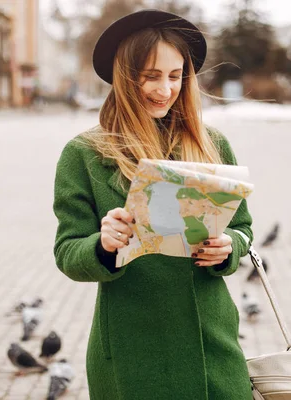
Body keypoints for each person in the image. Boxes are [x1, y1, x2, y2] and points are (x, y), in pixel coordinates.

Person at [53, 9, 254, 399]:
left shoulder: (211, 144)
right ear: (125, 78)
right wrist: (103, 243)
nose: (165, 89)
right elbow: (67, 251)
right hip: (133, 350)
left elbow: (243, 228)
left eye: (175, 76)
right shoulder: (85, 154)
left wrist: (229, 247)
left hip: (210, 341)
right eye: (151, 76)